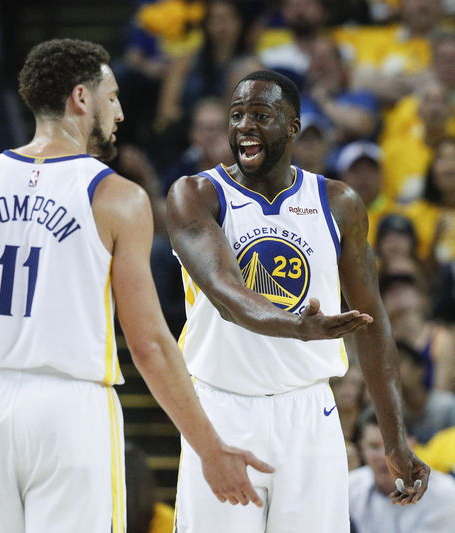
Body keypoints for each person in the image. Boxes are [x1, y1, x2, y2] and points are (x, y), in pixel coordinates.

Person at [0, 38, 275, 533]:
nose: (120, 112)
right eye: (113, 97)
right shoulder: (116, 197)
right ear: (81, 99)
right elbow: (148, 343)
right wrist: (209, 447)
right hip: (69, 407)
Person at [166, 70, 429, 533]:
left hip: (310, 414)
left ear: (292, 127)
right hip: (223, 409)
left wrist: (395, 441)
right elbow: (228, 296)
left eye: (260, 115)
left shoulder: (338, 202)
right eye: (236, 115)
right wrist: (298, 327)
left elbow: (372, 322)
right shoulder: (196, 194)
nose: (244, 125)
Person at [350, 409, 455, 533]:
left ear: (413, 445)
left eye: (395, 447)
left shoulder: (444, 493)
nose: (386, 457)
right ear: (361, 449)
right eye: (374, 446)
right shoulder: (348, 486)